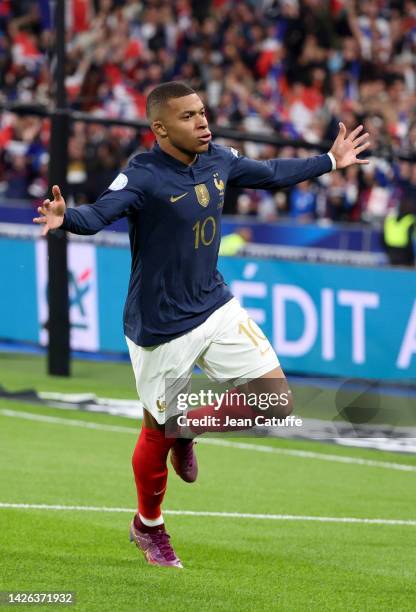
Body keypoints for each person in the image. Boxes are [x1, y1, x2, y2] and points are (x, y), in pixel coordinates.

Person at [34, 81, 370, 569]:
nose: (203, 122)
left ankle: (187, 429)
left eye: (203, 112)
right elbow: (98, 214)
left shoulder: (220, 159)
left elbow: (272, 172)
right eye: (189, 116)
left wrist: (330, 161)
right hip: (159, 325)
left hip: (213, 304)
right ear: (160, 128)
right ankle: (148, 526)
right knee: (155, 428)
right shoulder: (143, 174)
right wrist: (66, 218)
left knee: (273, 401)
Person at [383, 195, 416, 266]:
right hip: (405, 253)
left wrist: (387, 251)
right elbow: (410, 240)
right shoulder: (410, 220)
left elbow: (382, 238)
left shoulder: (390, 220)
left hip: (391, 252)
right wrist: (412, 257)